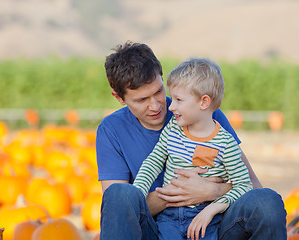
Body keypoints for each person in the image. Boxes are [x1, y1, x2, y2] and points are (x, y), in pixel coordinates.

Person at [96, 41, 287, 240]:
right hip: (156, 229)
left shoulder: (201, 112)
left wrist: (213, 191)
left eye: (159, 92)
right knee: (119, 194)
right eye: (142, 100)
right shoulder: (111, 130)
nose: (156, 106)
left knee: (267, 201)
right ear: (119, 98)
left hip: (212, 225)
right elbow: (122, 212)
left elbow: (252, 186)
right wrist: (178, 192)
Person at [132, 57, 253, 240]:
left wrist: (212, 209)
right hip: (169, 216)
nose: (171, 106)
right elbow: (154, 161)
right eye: (172, 98)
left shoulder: (226, 143)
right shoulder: (173, 129)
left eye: (179, 100)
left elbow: (244, 186)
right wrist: (138, 191)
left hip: (206, 217)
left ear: (204, 102)